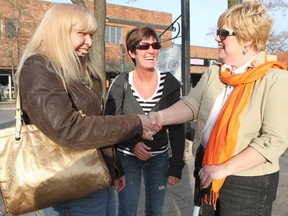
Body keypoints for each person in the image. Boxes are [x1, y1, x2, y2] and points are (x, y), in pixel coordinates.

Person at [14, 4, 158, 216]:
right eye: (82, 34)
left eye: (91, 35)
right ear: (59, 32)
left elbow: (95, 122)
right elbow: (69, 129)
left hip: (96, 180)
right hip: (71, 188)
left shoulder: (75, 69)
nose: (90, 42)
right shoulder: (39, 67)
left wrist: (114, 168)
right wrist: (136, 121)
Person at [149, 1, 288, 216]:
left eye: (224, 33)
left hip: (247, 180)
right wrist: (159, 117)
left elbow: (273, 140)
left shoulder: (275, 79)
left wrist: (223, 169)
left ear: (248, 39)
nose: (217, 38)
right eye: (218, 32)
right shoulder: (216, 73)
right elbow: (192, 103)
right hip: (207, 166)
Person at [104, 26, 185, 216]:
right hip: (126, 158)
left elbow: (177, 127)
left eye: (155, 45)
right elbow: (110, 122)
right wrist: (132, 144)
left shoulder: (170, 83)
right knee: (127, 210)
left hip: (159, 159)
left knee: (155, 211)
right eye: (144, 46)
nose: (151, 50)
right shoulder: (120, 82)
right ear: (132, 52)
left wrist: (176, 166)